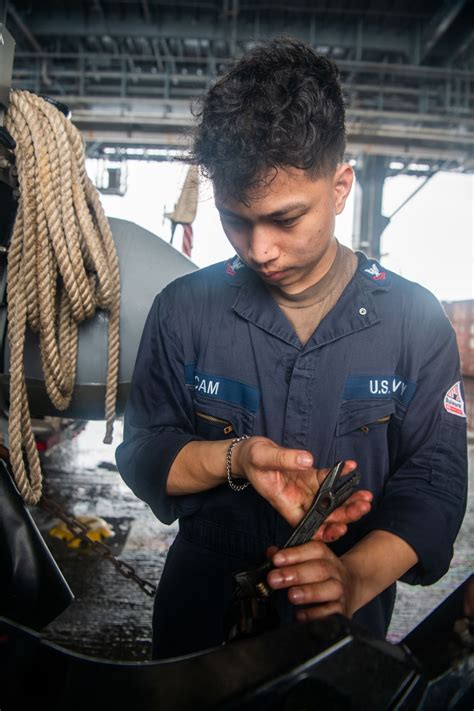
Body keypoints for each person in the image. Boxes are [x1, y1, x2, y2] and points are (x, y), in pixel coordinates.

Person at [116, 38, 467, 659]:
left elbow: (433, 483)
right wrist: (238, 457)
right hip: (201, 610)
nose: (259, 249)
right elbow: (144, 451)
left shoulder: (413, 320)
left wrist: (355, 575)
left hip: (339, 622)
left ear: (340, 187)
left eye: (284, 219)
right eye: (235, 219)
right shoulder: (185, 309)